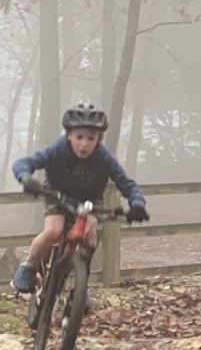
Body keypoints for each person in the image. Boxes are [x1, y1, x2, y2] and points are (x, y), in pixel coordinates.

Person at [11, 102, 149, 293]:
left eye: (90, 138)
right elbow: (25, 162)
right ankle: (29, 267)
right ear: (69, 135)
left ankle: (79, 287)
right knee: (53, 231)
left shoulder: (104, 158)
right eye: (79, 137)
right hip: (58, 196)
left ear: (98, 139)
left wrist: (137, 204)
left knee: (89, 235)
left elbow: (126, 183)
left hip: (89, 201)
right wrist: (25, 177)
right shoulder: (58, 149)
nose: (84, 144)